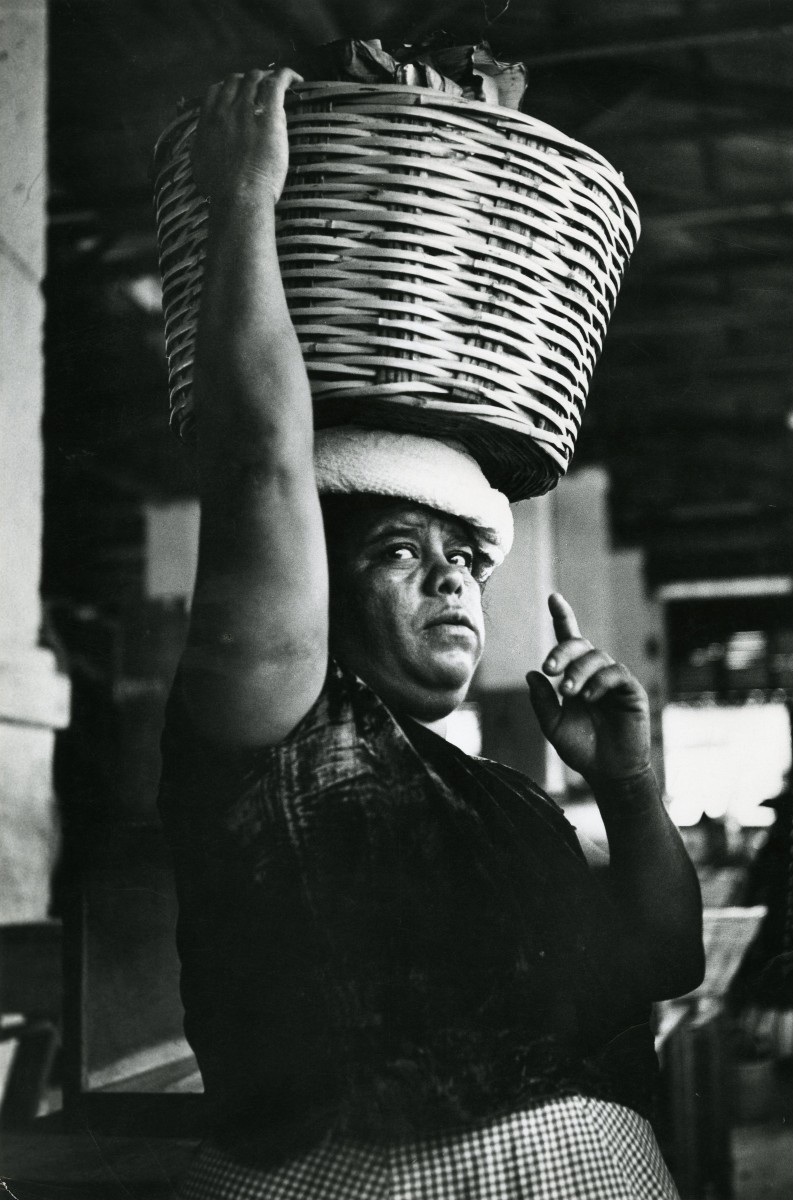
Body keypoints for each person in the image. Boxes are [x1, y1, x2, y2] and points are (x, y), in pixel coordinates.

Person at [158, 66, 704, 1199]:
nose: (454, 584)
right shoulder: (280, 735)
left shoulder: (499, 798)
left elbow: (664, 959)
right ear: (318, 580)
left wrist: (630, 786)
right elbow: (260, 470)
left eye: (466, 561)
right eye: (401, 552)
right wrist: (248, 208)